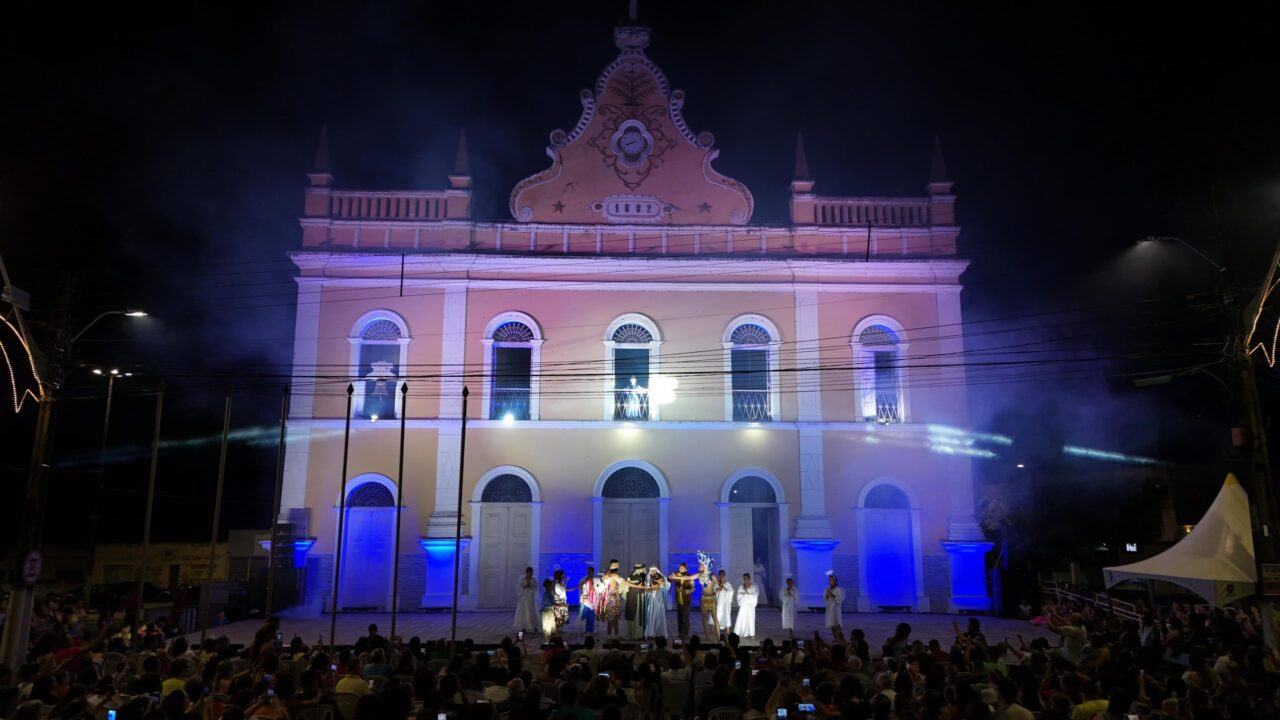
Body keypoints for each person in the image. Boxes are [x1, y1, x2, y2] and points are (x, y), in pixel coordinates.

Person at [668, 562, 696, 641]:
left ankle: (686, 633)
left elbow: (692, 588)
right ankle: (680, 633)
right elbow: (669, 580)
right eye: (679, 567)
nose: (680, 569)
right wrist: (669, 578)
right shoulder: (676, 574)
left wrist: (683, 589)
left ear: (686, 569)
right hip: (678, 599)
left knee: (685, 617)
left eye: (682, 568)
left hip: (686, 600)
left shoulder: (689, 576)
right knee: (679, 617)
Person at [695, 555, 719, 640]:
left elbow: (719, 585)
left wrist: (716, 590)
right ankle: (707, 636)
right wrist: (676, 577)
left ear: (705, 566)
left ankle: (719, 637)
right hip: (704, 598)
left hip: (712, 598)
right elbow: (688, 577)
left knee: (714, 618)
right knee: (704, 618)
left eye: (700, 565)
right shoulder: (700, 575)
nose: (699, 567)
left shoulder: (712, 576)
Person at [643, 567, 670, 639]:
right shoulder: (648, 578)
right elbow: (647, 588)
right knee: (651, 614)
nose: (653, 572)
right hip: (652, 598)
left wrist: (658, 583)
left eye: (654, 571)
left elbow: (664, 585)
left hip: (659, 598)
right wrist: (651, 588)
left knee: (659, 614)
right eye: (651, 571)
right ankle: (651, 632)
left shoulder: (661, 577)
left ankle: (659, 632)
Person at [600, 561, 624, 639]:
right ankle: (609, 634)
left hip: (609, 598)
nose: (618, 566)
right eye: (617, 565)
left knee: (614, 617)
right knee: (612, 617)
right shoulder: (614, 575)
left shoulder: (606, 576)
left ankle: (616, 634)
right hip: (612, 598)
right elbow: (623, 582)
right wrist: (619, 591)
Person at [623, 564, 648, 640]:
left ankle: (639, 634)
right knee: (635, 616)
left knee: (639, 616)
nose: (644, 570)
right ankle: (635, 634)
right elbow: (626, 583)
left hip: (640, 597)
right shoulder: (633, 576)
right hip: (635, 597)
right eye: (643, 568)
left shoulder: (642, 575)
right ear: (640, 569)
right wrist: (639, 587)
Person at [515, 567, 539, 632]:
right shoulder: (522, 579)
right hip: (524, 598)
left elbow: (536, 588)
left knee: (532, 610)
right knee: (524, 612)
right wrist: (525, 586)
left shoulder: (534, 579)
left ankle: (534, 626)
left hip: (531, 598)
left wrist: (530, 587)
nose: (531, 574)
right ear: (527, 572)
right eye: (529, 572)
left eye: (532, 572)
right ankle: (524, 626)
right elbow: (518, 588)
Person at [824, 573, 845, 642]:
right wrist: (827, 595)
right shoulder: (827, 589)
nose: (829, 581)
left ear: (834, 581)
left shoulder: (838, 589)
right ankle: (835, 638)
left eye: (831, 580)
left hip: (836, 608)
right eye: (829, 580)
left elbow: (839, 599)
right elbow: (825, 598)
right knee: (832, 623)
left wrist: (832, 594)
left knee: (837, 622)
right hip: (830, 608)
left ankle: (838, 637)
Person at [578, 567, 599, 636]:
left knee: (591, 617)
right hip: (584, 602)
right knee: (582, 617)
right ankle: (582, 631)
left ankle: (590, 631)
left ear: (593, 572)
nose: (589, 573)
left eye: (590, 572)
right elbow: (580, 589)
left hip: (592, 603)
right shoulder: (583, 580)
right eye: (588, 571)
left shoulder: (596, 580)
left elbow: (598, 590)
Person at [714, 570, 734, 639]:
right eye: (720, 574)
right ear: (719, 575)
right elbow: (714, 591)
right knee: (718, 615)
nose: (722, 576)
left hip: (725, 603)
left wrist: (724, 588)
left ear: (725, 575)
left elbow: (731, 592)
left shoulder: (728, 584)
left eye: (723, 574)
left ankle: (728, 630)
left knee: (726, 615)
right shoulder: (716, 583)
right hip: (719, 602)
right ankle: (718, 629)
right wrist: (719, 588)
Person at [552, 569, 570, 634]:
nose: (564, 576)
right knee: (558, 617)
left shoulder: (560, 583)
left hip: (562, 602)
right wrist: (566, 581)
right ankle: (556, 630)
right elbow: (562, 590)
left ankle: (559, 630)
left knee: (561, 617)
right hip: (559, 602)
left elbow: (565, 588)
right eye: (562, 575)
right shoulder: (556, 584)